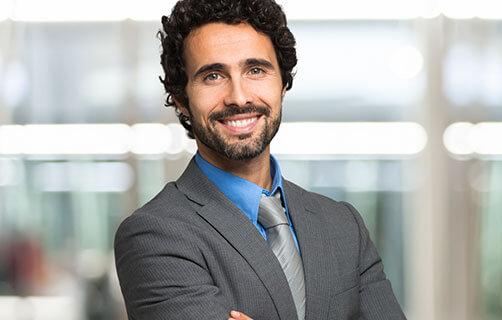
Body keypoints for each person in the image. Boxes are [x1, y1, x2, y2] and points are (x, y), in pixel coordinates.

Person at [113, 0, 406, 319]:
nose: (239, 97)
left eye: (255, 70)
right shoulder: (154, 235)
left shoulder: (342, 225)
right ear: (181, 98)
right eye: (213, 75)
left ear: (283, 83)